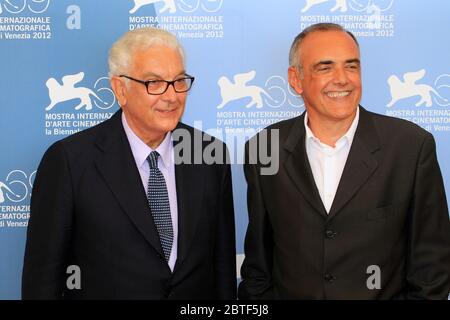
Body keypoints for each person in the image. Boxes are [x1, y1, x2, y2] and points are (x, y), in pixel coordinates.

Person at [238, 23, 450, 299]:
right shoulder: (264, 148)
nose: (342, 79)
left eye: (351, 66)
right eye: (325, 68)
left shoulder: (410, 147)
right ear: (296, 79)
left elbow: (431, 269)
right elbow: (259, 264)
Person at [22, 27, 236, 299]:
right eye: (154, 83)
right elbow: (42, 282)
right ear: (120, 89)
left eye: (179, 81)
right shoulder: (69, 161)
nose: (172, 96)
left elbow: (222, 270)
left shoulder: (211, 154)